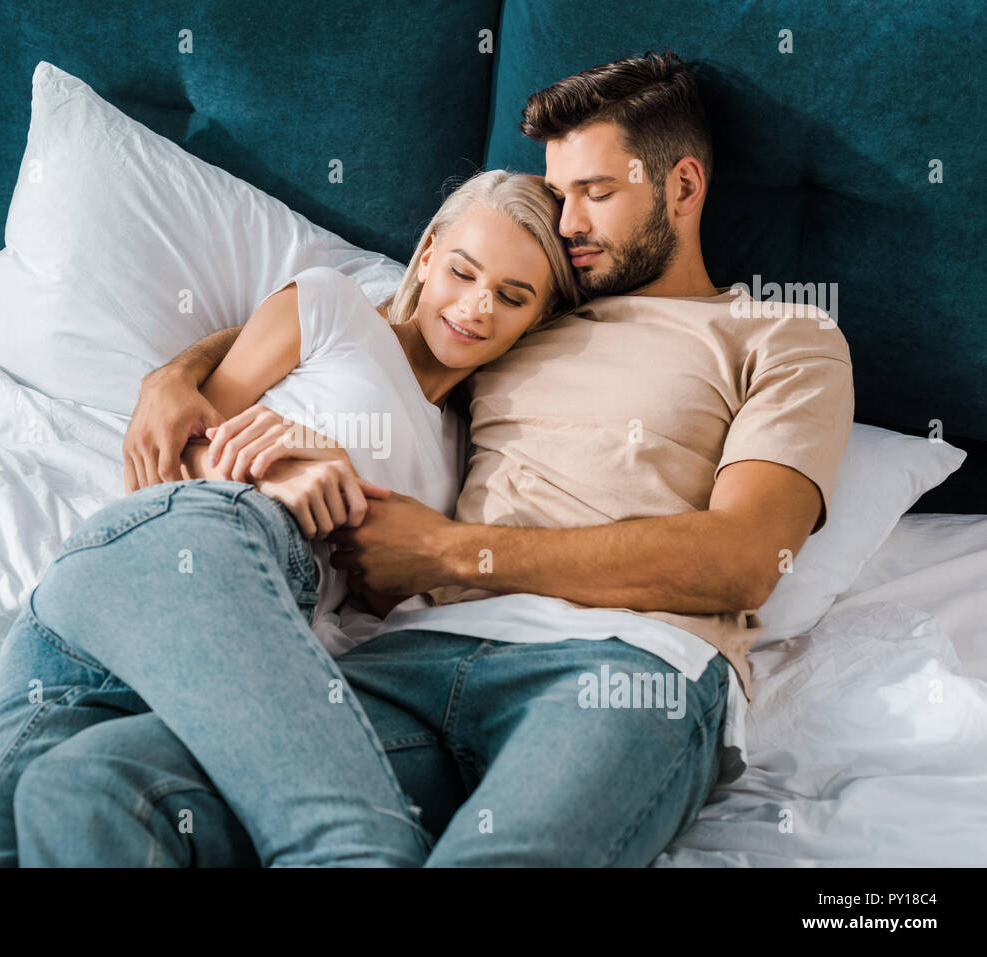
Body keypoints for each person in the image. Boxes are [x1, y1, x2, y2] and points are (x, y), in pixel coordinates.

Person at [89, 50, 854, 866]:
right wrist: (177, 372)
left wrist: (449, 550)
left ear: (683, 187)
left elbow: (744, 559)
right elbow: (360, 327)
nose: (567, 226)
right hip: (415, 655)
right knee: (104, 780)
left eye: (597, 194)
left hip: (623, 669)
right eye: (560, 197)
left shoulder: (784, 336)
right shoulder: (521, 307)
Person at [0, 168, 580, 867]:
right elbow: (179, 455)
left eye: (512, 296)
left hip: (201, 631)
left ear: (538, 318)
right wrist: (283, 469)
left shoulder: (461, 456)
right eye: (464, 272)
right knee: (349, 839)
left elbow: (382, 594)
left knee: (12, 833)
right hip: (177, 544)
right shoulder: (331, 308)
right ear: (429, 253)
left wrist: (339, 489)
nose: (476, 306)